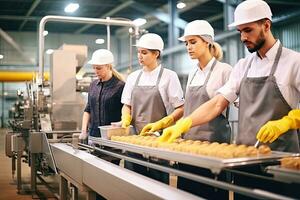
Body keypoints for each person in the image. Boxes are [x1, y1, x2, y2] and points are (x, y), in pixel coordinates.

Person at [159, 0, 300, 199]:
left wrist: (287, 121)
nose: (243, 37)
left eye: (248, 30)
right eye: (240, 31)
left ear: (266, 25)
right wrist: (184, 124)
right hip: (244, 162)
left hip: (280, 163)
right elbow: (218, 103)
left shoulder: (294, 62)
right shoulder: (243, 66)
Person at [174, 19, 232, 199]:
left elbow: (220, 104)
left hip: (212, 150)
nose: (188, 47)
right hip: (188, 148)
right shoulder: (193, 73)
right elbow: (189, 108)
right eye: (186, 43)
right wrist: (171, 123)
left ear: (207, 42)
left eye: (193, 42)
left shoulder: (224, 71)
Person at [121, 33, 184, 184]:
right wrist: (125, 117)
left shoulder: (169, 76)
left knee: (158, 186)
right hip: (135, 140)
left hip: (159, 140)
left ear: (156, 54)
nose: (140, 56)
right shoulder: (133, 77)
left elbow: (181, 108)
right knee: (133, 185)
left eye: (144, 52)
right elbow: (127, 105)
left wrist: (165, 122)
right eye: (138, 52)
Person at [79, 49, 125, 141]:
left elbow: (126, 111)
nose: (96, 71)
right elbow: (88, 110)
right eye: (94, 68)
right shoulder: (93, 85)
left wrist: (121, 123)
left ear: (108, 66)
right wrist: (84, 130)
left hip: (112, 137)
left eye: (99, 68)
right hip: (93, 135)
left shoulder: (120, 86)